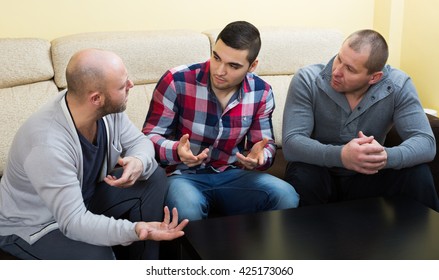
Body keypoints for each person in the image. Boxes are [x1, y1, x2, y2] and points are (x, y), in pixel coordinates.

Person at [0, 49, 188, 260]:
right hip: (35, 225)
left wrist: (137, 161)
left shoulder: (105, 111)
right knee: (101, 258)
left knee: (153, 175)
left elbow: (140, 142)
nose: (131, 85)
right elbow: (73, 222)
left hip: (82, 199)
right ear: (96, 98)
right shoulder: (47, 145)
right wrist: (135, 229)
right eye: (122, 85)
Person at [142, 21, 299, 221]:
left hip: (232, 173)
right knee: (187, 208)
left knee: (286, 195)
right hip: (183, 176)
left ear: (252, 66)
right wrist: (177, 151)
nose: (219, 70)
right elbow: (149, 136)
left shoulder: (262, 92)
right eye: (216, 58)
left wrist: (258, 159)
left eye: (233, 66)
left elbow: (264, 146)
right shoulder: (177, 80)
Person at [282, 29, 439, 211]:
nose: (337, 71)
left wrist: (384, 157)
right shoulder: (307, 79)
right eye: (339, 58)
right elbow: (292, 143)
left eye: (350, 69)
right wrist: (342, 156)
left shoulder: (398, 85)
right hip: (319, 171)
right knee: (304, 173)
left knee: (417, 174)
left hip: (368, 175)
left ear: (374, 77)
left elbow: (426, 143)